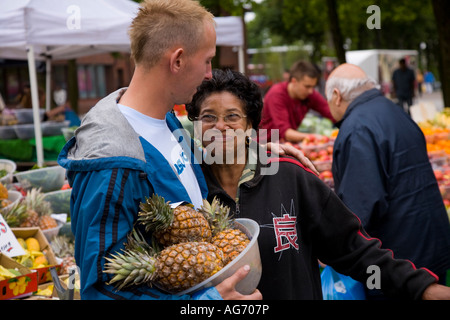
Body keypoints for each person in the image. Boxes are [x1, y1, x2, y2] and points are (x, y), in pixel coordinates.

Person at [57, 0, 309, 300]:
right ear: (177, 61)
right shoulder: (112, 162)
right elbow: (101, 291)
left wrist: (250, 148)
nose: (210, 74)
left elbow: (178, 166)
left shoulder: (166, 120)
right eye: (207, 61)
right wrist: (208, 303)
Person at [185, 68, 450, 300]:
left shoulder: (291, 177)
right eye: (208, 117)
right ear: (196, 125)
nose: (220, 126)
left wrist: (421, 288)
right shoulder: (188, 186)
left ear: (250, 125)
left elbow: (352, 248)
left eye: (232, 116)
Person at [325, 63, 450, 299]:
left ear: (336, 95)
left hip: (398, 262)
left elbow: (360, 207)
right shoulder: (395, 111)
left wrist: (332, 243)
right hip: (430, 247)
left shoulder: (356, 128)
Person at [259, 60, 335, 144]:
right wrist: (313, 137)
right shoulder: (276, 94)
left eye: (313, 86)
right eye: (307, 86)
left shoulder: (309, 94)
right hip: (264, 145)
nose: (310, 91)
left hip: (283, 144)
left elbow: (331, 112)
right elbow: (286, 132)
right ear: (294, 81)